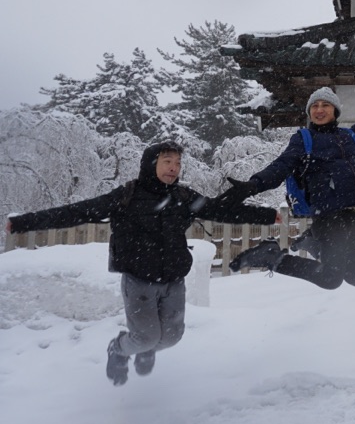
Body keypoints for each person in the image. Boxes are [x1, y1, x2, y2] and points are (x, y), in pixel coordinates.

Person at [5, 141, 277, 386]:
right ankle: (119, 349)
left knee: (171, 337)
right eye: (167, 161)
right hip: (139, 282)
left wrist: (267, 215)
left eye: (178, 163)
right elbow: (75, 212)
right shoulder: (126, 197)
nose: (174, 168)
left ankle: (144, 349)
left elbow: (222, 211)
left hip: (173, 280)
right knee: (145, 337)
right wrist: (23, 222)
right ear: (151, 164)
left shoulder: (183, 197)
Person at [223, 70, 355, 290]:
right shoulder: (304, 139)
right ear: (309, 112)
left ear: (335, 110)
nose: (319, 110)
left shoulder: (349, 137)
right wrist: (254, 184)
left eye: (325, 105)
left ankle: (311, 240)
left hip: (350, 213)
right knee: (331, 279)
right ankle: (272, 257)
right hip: (327, 215)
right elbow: (282, 165)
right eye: (315, 106)